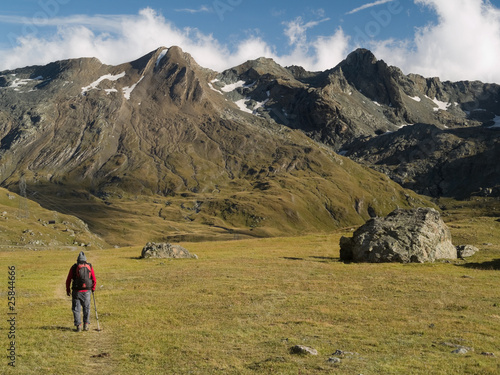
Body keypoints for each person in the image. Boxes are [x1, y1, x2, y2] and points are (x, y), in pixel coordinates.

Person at [66, 251, 96, 332]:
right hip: (87, 291)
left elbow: (68, 279)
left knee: (76, 309)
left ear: (77, 260)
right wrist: (93, 288)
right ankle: (86, 324)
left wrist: (68, 289)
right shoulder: (89, 266)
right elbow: (94, 279)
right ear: (85, 260)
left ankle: (78, 325)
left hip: (76, 291)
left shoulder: (74, 267)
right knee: (86, 308)